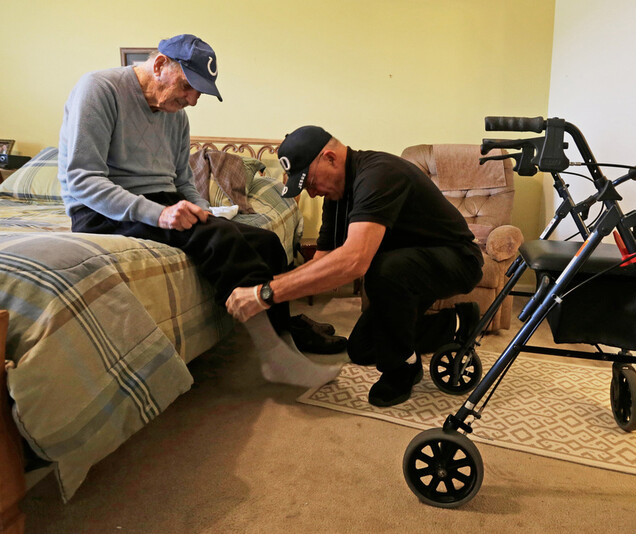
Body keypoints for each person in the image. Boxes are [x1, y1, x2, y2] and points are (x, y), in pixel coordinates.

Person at [57, 34, 342, 388]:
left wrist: (203, 208)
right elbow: (82, 179)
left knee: (267, 242)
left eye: (199, 93)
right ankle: (274, 357)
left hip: (163, 202)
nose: (192, 100)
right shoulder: (99, 89)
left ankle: (285, 342)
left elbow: (183, 180)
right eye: (188, 86)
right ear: (160, 65)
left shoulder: (176, 116)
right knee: (219, 240)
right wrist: (157, 214)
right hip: (104, 209)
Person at [226, 125, 484, 406]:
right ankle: (455, 321)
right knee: (362, 349)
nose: (311, 194)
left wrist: (266, 293)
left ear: (330, 158)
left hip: (456, 260)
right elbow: (322, 260)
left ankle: (403, 369)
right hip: (407, 272)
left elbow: (354, 261)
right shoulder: (336, 196)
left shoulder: (378, 175)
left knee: (383, 270)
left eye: (309, 182)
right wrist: (272, 284)